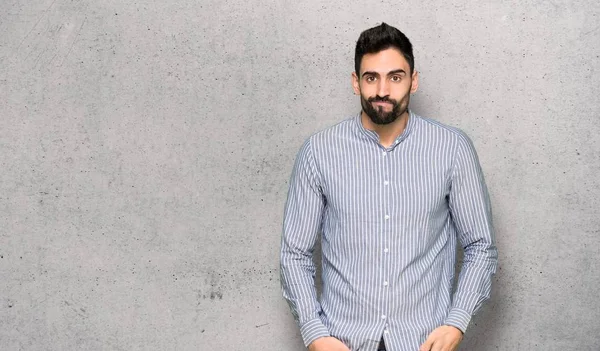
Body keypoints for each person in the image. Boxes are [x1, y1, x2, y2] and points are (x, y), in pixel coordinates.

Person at [280, 22, 498, 351]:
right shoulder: (319, 152)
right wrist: (315, 334)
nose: (383, 90)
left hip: (422, 342)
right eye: (371, 77)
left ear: (414, 80)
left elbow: (481, 246)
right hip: (343, 341)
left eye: (395, 77)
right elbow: (294, 254)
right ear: (356, 82)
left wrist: (457, 322)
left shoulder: (452, 148)